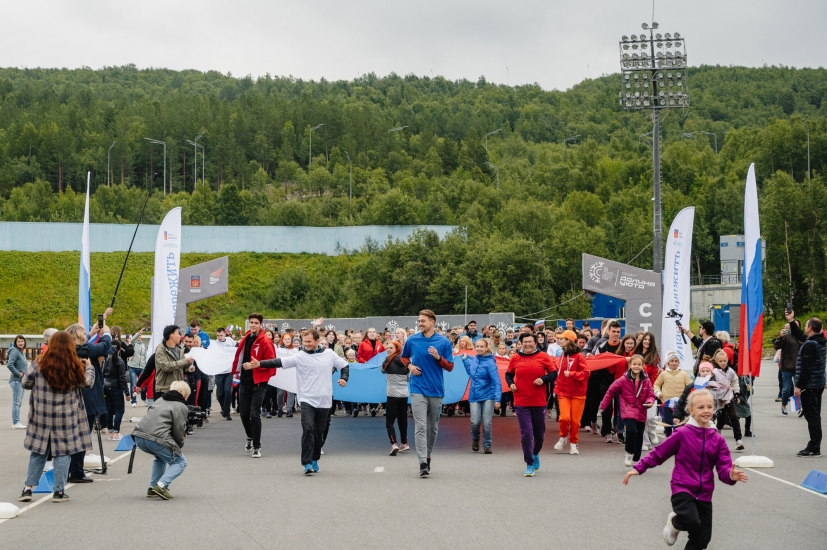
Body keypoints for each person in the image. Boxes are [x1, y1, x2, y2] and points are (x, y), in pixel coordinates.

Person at [624, 389, 748, 549]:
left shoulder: (717, 440)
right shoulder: (682, 433)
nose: (706, 411)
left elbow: (724, 468)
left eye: (709, 407)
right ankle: (675, 522)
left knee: (702, 540)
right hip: (682, 488)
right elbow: (659, 453)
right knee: (690, 519)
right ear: (691, 410)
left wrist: (731, 476)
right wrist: (639, 468)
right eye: (701, 407)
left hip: (705, 494)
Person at [249, 329, 349, 474]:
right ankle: (307, 463)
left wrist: (344, 378)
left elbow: (345, 365)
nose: (306, 344)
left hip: (325, 399)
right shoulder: (300, 356)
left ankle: (315, 458)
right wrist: (260, 364)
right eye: (304, 342)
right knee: (308, 428)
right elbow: (280, 361)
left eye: (309, 342)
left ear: (316, 341)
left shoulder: (329, 354)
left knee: (319, 432)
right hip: (307, 398)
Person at [18, 332, 95, 503]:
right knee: (63, 453)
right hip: (65, 417)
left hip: (42, 416)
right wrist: (89, 367)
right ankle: (59, 492)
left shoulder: (39, 362)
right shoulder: (73, 365)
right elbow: (87, 383)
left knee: (38, 452)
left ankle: (27, 489)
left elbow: (25, 384)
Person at [401, 309, 455, 477]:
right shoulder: (412, 340)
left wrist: (438, 357)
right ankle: (422, 462)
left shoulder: (443, 341)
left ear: (432, 322)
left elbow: (450, 367)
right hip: (417, 388)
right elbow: (404, 358)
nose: (420, 323)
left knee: (432, 428)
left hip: (436, 390)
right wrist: (409, 367)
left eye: (423, 321)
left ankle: (428, 455)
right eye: (419, 321)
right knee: (421, 426)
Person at [65, 321, 112, 484]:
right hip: (88, 398)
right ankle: (76, 471)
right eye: (83, 333)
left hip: (71, 398)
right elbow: (106, 346)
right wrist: (106, 332)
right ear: (78, 337)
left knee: (72, 436)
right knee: (83, 436)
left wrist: (91, 333)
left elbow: (82, 341)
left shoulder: (68, 350)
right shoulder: (86, 351)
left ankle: (69, 469)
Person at [505, 332, 557, 477]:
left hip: (539, 401)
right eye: (525, 342)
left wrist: (543, 378)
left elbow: (554, 373)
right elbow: (508, 374)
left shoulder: (543, 357)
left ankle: (535, 453)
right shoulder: (515, 358)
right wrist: (511, 383)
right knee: (526, 433)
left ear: (535, 343)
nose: (527, 344)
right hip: (521, 401)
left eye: (530, 342)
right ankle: (529, 463)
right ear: (520, 343)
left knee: (539, 435)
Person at [132, 380, 191, 500]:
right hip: (157, 438)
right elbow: (179, 430)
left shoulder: (159, 400)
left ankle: (152, 487)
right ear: (185, 394)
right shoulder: (181, 406)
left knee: (160, 458)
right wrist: (179, 445)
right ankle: (161, 485)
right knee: (180, 461)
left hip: (138, 435)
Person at [231, 313, 276, 458]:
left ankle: (257, 446)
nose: (253, 325)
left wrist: (254, 366)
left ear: (261, 325)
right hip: (245, 380)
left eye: (256, 323)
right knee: (243, 414)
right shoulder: (245, 338)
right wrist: (236, 370)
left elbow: (272, 362)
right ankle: (250, 437)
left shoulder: (265, 341)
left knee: (254, 414)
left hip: (260, 381)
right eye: (251, 322)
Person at [600, 355, 656, 467]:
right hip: (627, 409)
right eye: (634, 364)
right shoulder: (623, 380)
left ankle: (636, 457)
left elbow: (650, 394)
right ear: (630, 365)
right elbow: (610, 391)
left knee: (639, 434)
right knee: (632, 431)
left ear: (643, 366)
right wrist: (603, 405)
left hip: (641, 409)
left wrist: (650, 402)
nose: (636, 366)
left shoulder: (646, 380)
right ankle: (629, 452)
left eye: (639, 364)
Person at [787, 311, 826, 457]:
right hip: (818, 384)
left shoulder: (810, 345)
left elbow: (806, 368)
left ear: (810, 327)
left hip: (809, 386)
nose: (805, 327)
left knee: (812, 417)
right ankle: (815, 445)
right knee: (814, 415)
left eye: (806, 325)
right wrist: (791, 321)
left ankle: (814, 447)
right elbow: (801, 336)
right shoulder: (819, 341)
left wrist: (798, 386)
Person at [460, 339, 502, 454]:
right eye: (477, 346)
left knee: (487, 422)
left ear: (486, 347)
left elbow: (497, 382)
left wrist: (498, 399)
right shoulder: (474, 359)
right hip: (474, 395)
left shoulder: (490, 363)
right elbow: (471, 373)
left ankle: (487, 444)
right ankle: (475, 439)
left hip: (488, 395)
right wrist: (464, 360)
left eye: (481, 347)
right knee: (475, 422)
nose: (478, 349)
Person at [552, 330, 588, 455]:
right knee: (564, 418)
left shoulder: (579, 356)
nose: (559, 340)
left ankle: (573, 444)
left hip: (578, 393)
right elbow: (559, 373)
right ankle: (563, 437)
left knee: (575, 421)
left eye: (562, 338)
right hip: (563, 392)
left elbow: (586, 374)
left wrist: (572, 374)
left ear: (568, 340)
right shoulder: (562, 355)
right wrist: (557, 386)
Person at [709, 349, 743, 451]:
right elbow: (709, 384)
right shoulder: (714, 372)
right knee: (721, 419)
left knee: (734, 417)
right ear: (717, 361)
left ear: (727, 360)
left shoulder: (731, 371)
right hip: (718, 399)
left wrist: (736, 393)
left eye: (725, 361)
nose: (723, 363)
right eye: (721, 361)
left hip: (728, 399)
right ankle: (716, 435)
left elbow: (735, 382)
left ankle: (738, 440)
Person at [654, 351, 693, 437]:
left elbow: (690, 385)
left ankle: (677, 440)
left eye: (676, 361)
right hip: (667, 403)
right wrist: (658, 393)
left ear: (679, 362)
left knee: (678, 424)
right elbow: (656, 384)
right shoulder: (663, 374)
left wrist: (689, 394)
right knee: (667, 423)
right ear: (668, 362)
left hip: (680, 404)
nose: (674, 363)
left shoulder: (683, 374)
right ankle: (668, 438)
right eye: (672, 361)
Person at [382, 340, 410, 455]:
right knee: (402, 419)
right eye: (387, 348)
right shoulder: (406, 362)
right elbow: (408, 378)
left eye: (391, 348)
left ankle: (394, 444)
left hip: (392, 394)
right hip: (404, 394)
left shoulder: (388, 360)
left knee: (390, 421)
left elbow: (382, 370)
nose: (388, 350)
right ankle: (404, 443)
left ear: (397, 350)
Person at [773, 320, 803, 415]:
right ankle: (784, 405)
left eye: (797, 326)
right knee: (786, 389)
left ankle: (799, 408)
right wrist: (780, 337)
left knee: (798, 389)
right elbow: (777, 346)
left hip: (798, 366)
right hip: (786, 366)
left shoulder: (801, 336)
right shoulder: (786, 336)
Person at [154, 325, 194, 395]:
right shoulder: (160, 350)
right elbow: (166, 367)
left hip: (179, 389)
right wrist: (185, 361)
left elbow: (181, 367)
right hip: (165, 389)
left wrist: (188, 366)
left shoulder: (180, 348)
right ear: (172, 336)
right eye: (178, 334)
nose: (180, 336)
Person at [103, 339, 130, 440]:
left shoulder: (106, 359)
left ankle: (110, 432)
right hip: (116, 387)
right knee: (119, 410)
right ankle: (116, 432)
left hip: (106, 386)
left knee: (109, 410)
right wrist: (127, 393)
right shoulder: (119, 361)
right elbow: (122, 378)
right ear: (119, 349)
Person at [213, 327, 236, 421]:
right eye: (218, 335)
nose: (219, 337)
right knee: (220, 394)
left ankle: (227, 412)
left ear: (225, 334)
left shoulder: (230, 341)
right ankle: (223, 408)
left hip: (228, 371)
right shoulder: (214, 343)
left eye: (221, 335)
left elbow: (235, 349)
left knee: (227, 391)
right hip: (219, 371)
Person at [7, 334, 28, 429]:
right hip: (16, 381)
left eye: (22, 341)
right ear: (15, 343)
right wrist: (18, 373)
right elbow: (9, 364)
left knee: (19, 402)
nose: (21, 343)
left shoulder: (21, 352)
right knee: (16, 402)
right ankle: (16, 422)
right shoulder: (15, 352)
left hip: (21, 381)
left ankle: (17, 421)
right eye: (18, 341)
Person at [127, 329, 148, 407]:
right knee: (133, 384)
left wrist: (145, 365)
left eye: (140, 335)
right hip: (133, 367)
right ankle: (133, 401)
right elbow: (131, 340)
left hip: (142, 367)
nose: (139, 336)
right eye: (138, 335)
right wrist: (138, 332)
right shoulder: (133, 344)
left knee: (143, 385)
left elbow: (145, 357)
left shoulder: (144, 346)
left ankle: (143, 398)